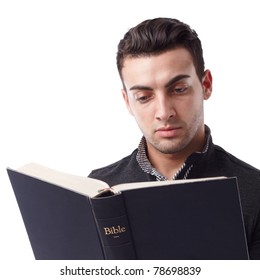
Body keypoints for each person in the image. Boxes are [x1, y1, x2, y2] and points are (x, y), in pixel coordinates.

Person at [88, 17, 260, 259]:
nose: (164, 112)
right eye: (144, 97)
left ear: (206, 85)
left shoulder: (256, 193)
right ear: (128, 101)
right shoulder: (99, 190)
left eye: (178, 89)